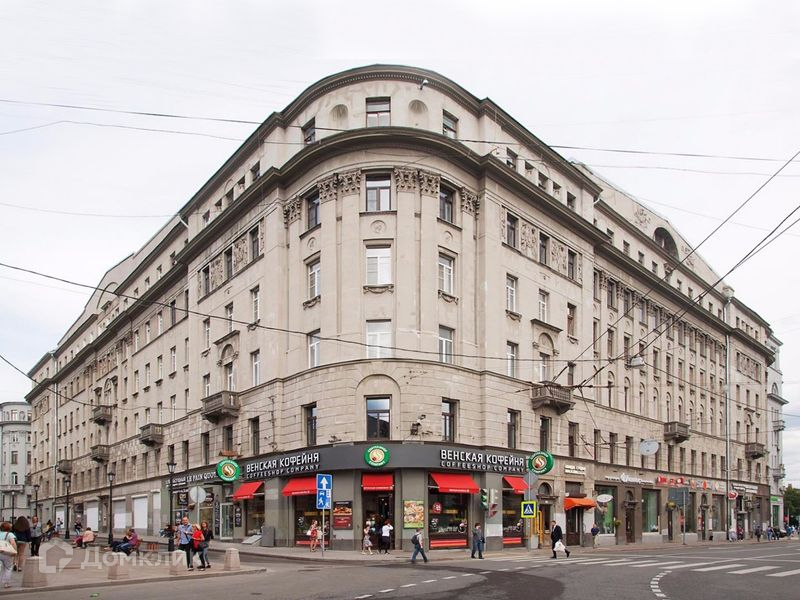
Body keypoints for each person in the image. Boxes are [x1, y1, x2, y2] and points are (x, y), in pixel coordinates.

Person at [0, 522, 18, 589]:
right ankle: (6, 583)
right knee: (8, 568)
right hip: (6, 553)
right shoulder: (10, 534)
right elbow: (13, 543)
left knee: (1, 567)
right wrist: (15, 551)